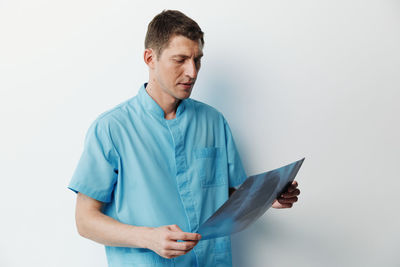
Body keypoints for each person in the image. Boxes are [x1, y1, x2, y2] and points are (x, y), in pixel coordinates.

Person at [68, 9, 301, 267]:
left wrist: (268, 198)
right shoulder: (111, 129)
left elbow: (230, 192)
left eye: (197, 60)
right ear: (150, 58)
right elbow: (85, 220)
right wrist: (149, 238)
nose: (192, 72)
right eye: (180, 60)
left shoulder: (214, 121)